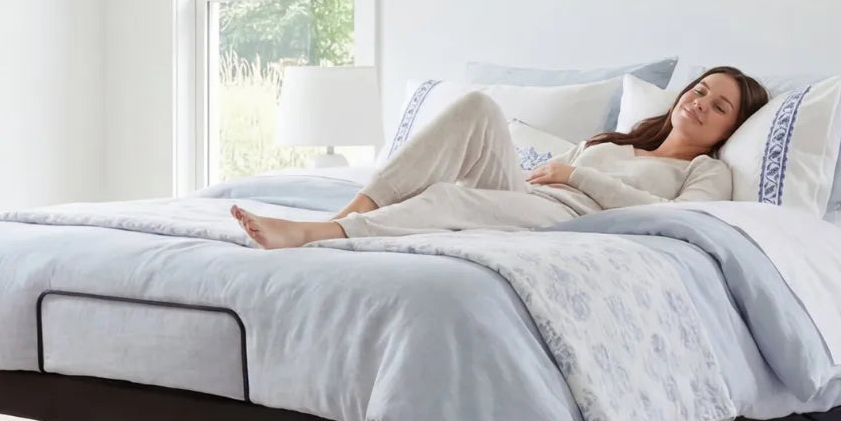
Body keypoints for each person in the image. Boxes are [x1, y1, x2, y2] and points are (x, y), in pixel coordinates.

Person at [231, 66, 770, 249]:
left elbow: (672, 218)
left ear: (731, 127)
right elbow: (548, 172)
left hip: (573, 218)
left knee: (450, 197)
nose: (701, 103)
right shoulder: (622, 140)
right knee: (476, 107)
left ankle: (312, 236)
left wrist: (577, 172)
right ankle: (344, 215)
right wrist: (567, 165)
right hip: (535, 194)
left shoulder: (708, 171)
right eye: (700, 90)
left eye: (719, 105)